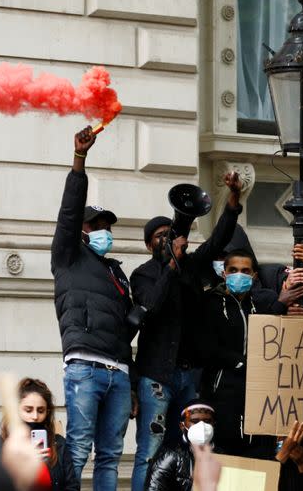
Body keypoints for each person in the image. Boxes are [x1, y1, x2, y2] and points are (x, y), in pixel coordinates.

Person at [129, 172, 243, 490]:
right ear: (149, 243)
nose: (166, 239)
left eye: (171, 233)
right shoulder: (143, 274)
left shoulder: (193, 265)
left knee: (193, 448)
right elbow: (150, 305)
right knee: (150, 452)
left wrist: (233, 200)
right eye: (160, 236)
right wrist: (171, 267)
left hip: (189, 376)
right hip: (156, 377)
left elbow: (219, 239)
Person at [50, 125, 135, 490]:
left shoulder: (116, 273)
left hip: (118, 372)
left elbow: (124, 328)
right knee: (79, 450)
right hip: (84, 368)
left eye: (107, 226)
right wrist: (80, 160)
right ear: (82, 231)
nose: (104, 231)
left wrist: (130, 383)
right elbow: (69, 212)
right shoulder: (68, 256)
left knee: (111, 457)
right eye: (97, 225)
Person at [199, 249, 299, 457]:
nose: (239, 275)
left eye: (245, 271)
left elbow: (270, 336)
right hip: (222, 391)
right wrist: (243, 363)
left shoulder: (261, 303)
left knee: (257, 450)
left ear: (254, 276)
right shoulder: (211, 303)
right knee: (226, 450)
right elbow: (208, 348)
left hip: (258, 394)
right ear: (224, 273)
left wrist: (284, 305)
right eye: (233, 270)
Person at [0, 378, 79, 491]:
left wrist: (44, 465)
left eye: (41, 411)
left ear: (47, 412)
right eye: (28, 410)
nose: (35, 416)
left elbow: (72, 486)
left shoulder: (59, 443)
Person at [144, 399, 216, 491]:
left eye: (207, 421)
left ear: (213, 424)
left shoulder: (220, 453)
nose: (202, 426)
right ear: (182, 426)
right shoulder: (170, 454)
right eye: (195, 421)